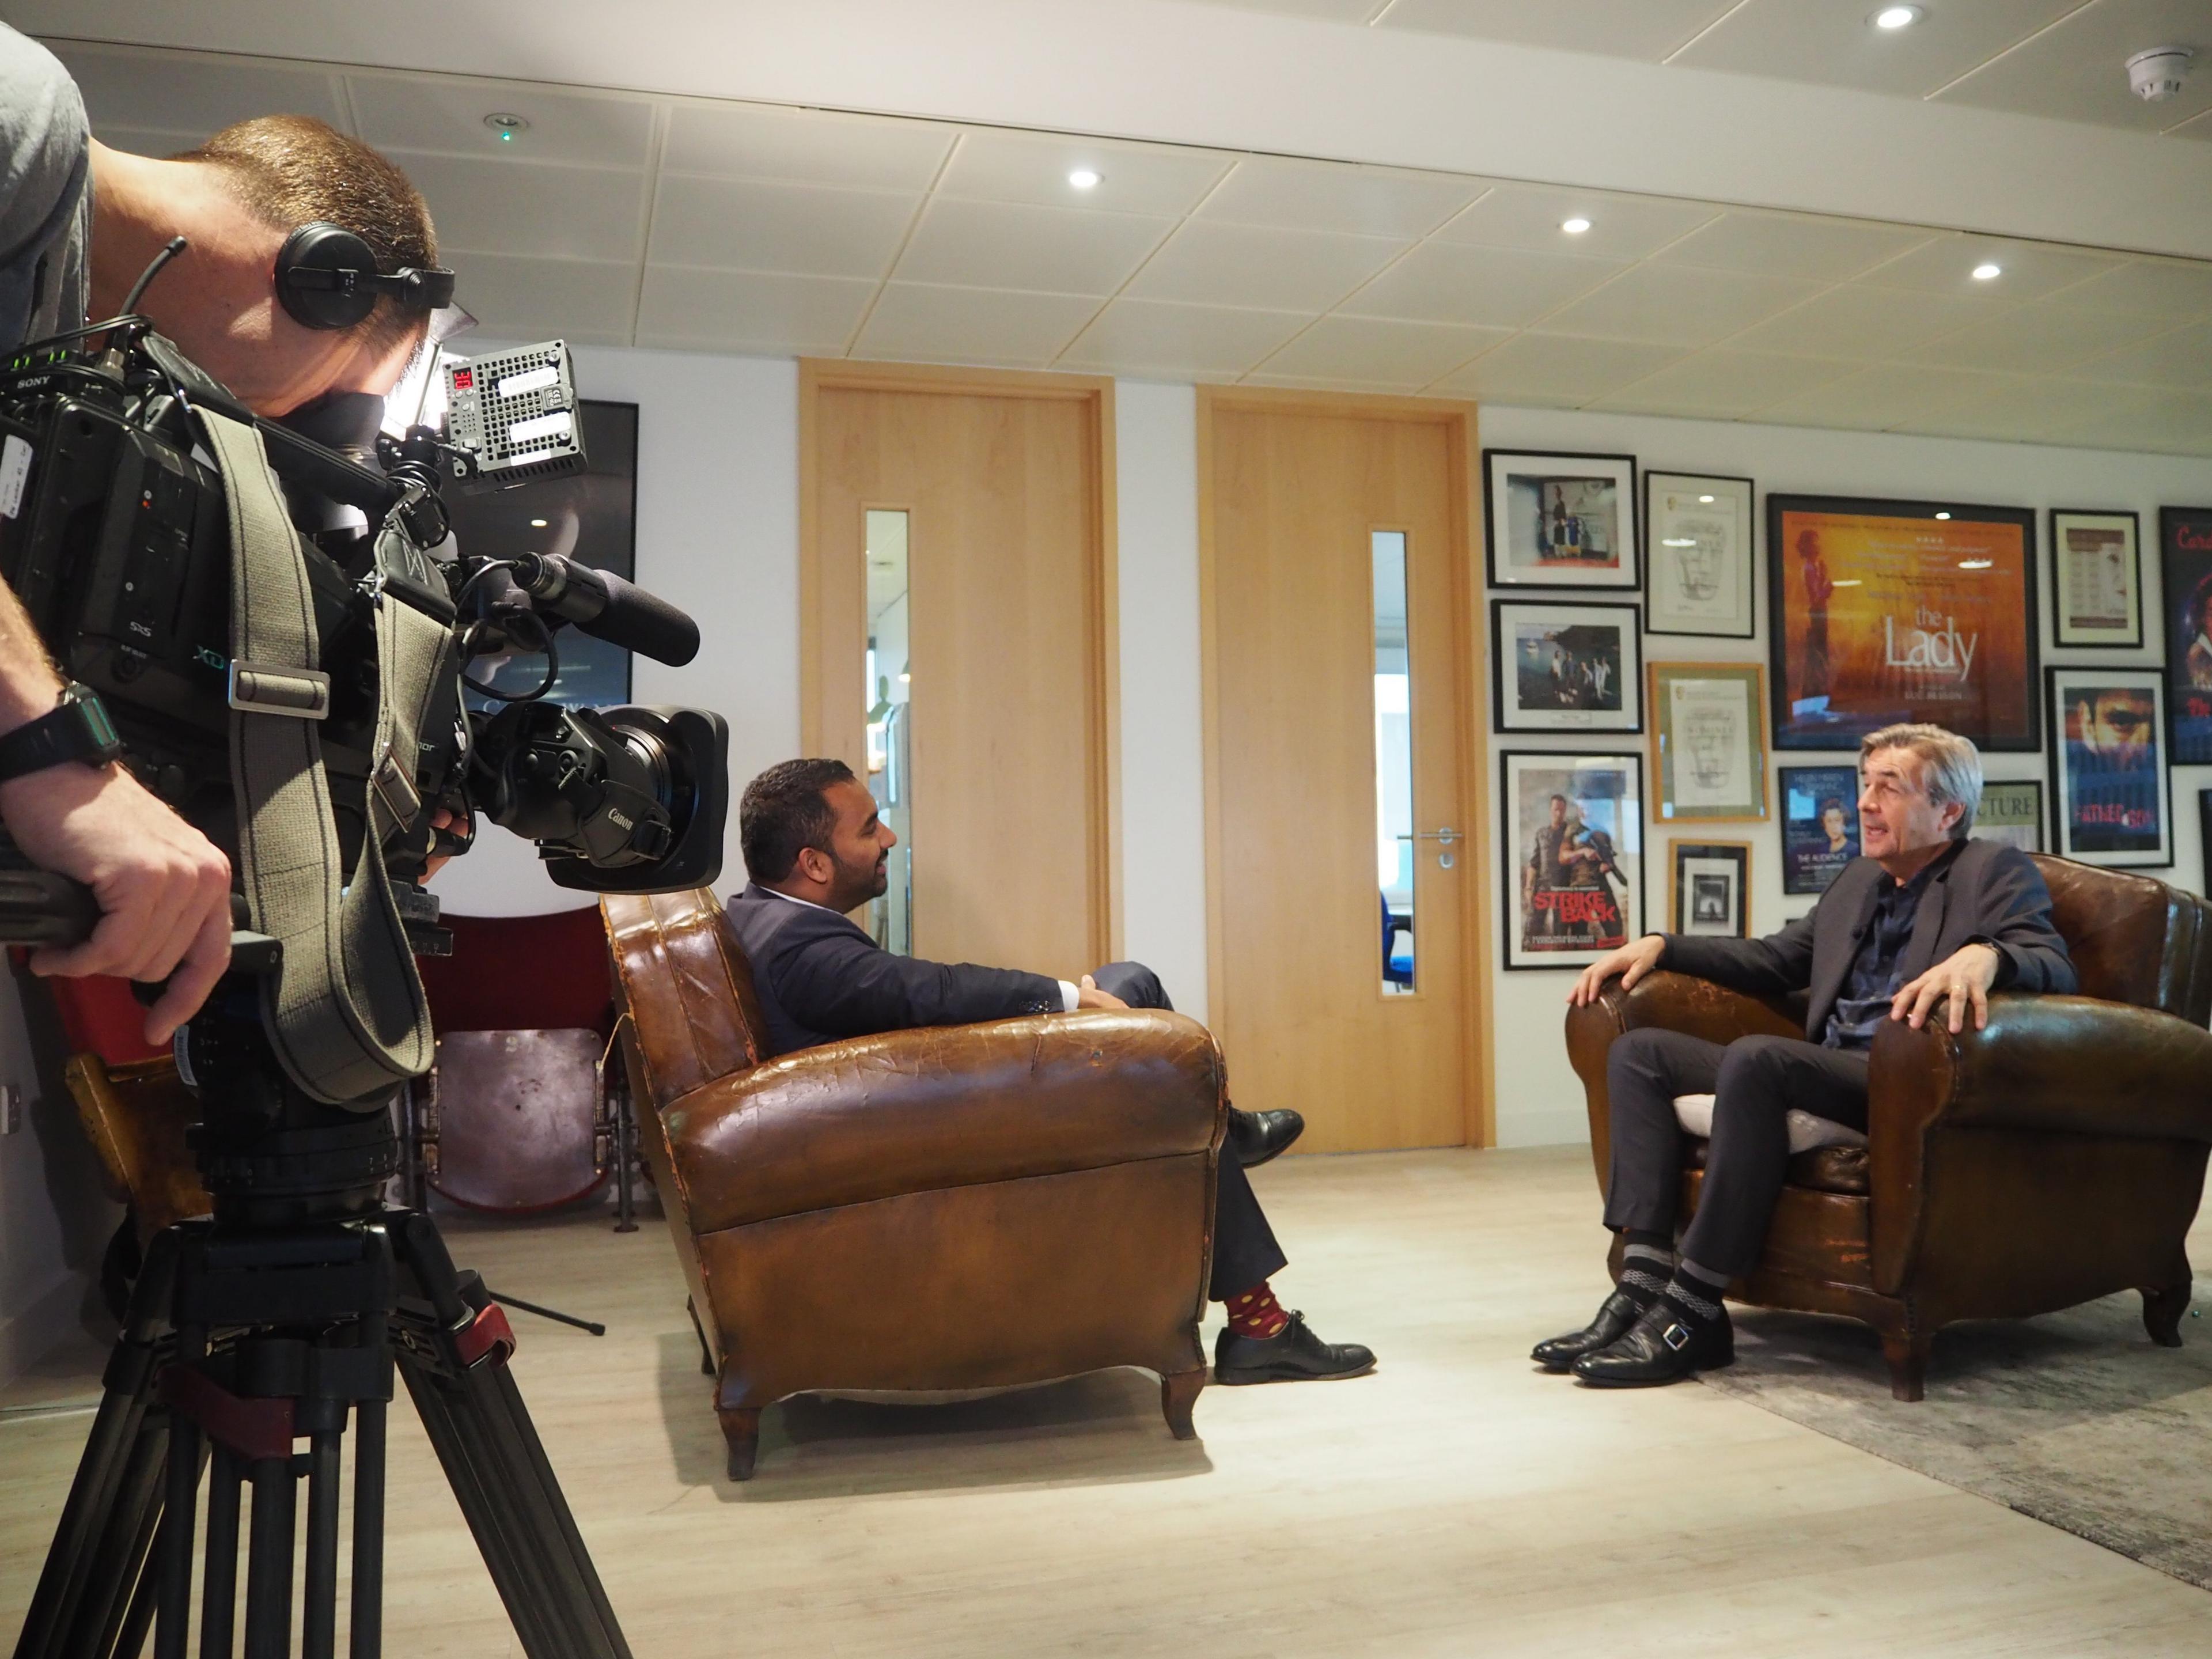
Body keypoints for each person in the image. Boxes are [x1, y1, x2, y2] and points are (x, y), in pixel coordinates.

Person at [0, 25, 437, 1041]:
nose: (283, 440)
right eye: (334, 404)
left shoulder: (73, 358)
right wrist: (53, 750)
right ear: (321, 282)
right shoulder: (24, 113)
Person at [725, 758, 1378, 1386]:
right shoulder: (798, 947)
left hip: (914, 1103)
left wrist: (1069, 1004)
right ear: (813, 863)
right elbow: (928, 991)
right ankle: (1256, 1308)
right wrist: (1065, 1000)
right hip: (933, 1125)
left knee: (1131, 986)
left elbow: (908, 998)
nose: (889, 836)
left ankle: (1228, 1142)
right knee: (1144, 1029)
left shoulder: (758, 915)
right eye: (869, 828)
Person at [1541, 724, 2075, 1387]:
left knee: (1761, 1059)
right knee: (1640, 1054)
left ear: (1949, 811)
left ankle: (1695, 1302)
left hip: (1901, 1077)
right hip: (1829, 1067)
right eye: (1866, 784)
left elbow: (2054, 963)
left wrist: (1988, 953)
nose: (1866, 803)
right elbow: (1775, 959)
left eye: (1891, 786)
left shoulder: (1992, 870)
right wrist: (1663, 945)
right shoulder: (1858, 879)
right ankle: (1644, 1280)